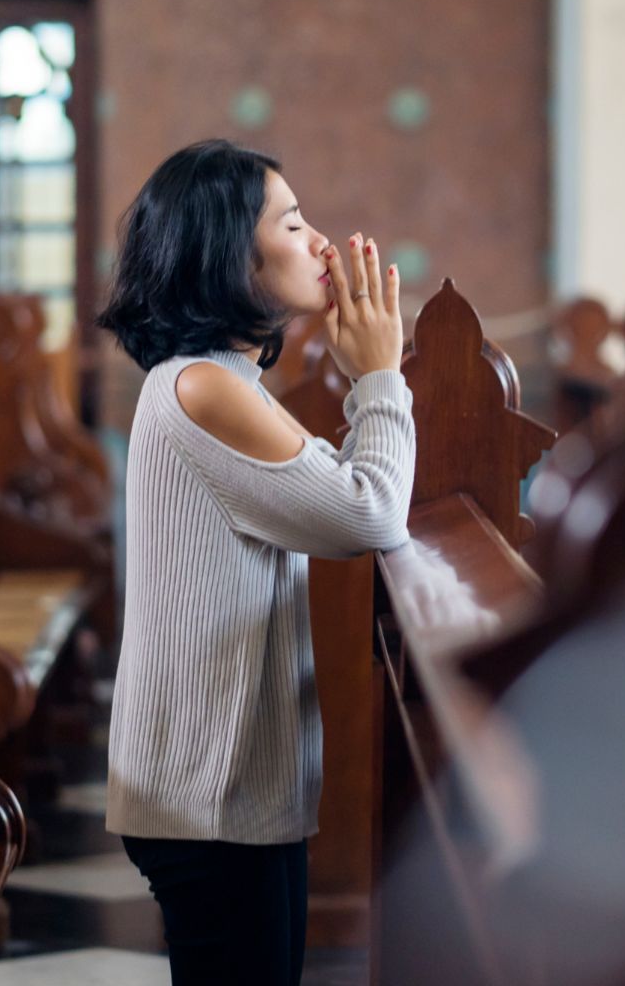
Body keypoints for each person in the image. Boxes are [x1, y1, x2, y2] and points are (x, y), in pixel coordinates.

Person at [96, 138, 416, 985]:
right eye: (293, 222)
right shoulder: (203, 389)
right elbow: (368, 513)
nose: (321, 244)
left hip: (228, 789)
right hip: (203, 793)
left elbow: (341, 497)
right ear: (227, 252)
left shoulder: (220, 382)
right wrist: (380, 375)